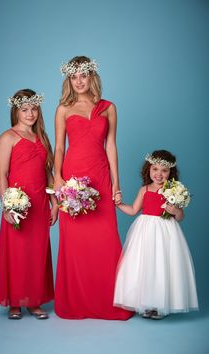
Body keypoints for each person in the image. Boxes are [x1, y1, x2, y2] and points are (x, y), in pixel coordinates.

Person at [53, 56, 133, 320]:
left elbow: (111, 145)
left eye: (83, 76)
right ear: (69, 80)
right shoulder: (63, 109)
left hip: (100, 176)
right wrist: (58, 178)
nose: (78, 81)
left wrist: (116, 183)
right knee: (75, 241)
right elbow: (60, 147)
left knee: (105, 238)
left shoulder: (109, 108)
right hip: (73, 177)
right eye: (73, 77)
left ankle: (110, 301)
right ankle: (76, 302)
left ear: (91, 77)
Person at [0, 89, 58, 319]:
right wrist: (7, 206)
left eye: (34, 108)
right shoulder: (8, 137)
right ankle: (16, 302)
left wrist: (55, 202)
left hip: (40, 205)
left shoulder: (42, 138)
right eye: (25, 109)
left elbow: (48, 174)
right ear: (16, 111)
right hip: (18, 205)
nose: (30, 114)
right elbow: (1, 175)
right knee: (17, 253)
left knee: (37, 253)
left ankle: (34, 301)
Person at [114, 150, 199, 319]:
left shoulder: (173, 190)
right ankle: (146, 303)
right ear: (149, 170)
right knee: (145, 265)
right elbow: (133, 210)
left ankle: (160, 305)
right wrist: (118, 204)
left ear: (170, 172)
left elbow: (181, 217)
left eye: (164, 170)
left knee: (162, 264)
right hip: (145, 231)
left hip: (166, 231)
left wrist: (175, 210)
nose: (159, 174)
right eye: (155, 169)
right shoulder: (144, 190)